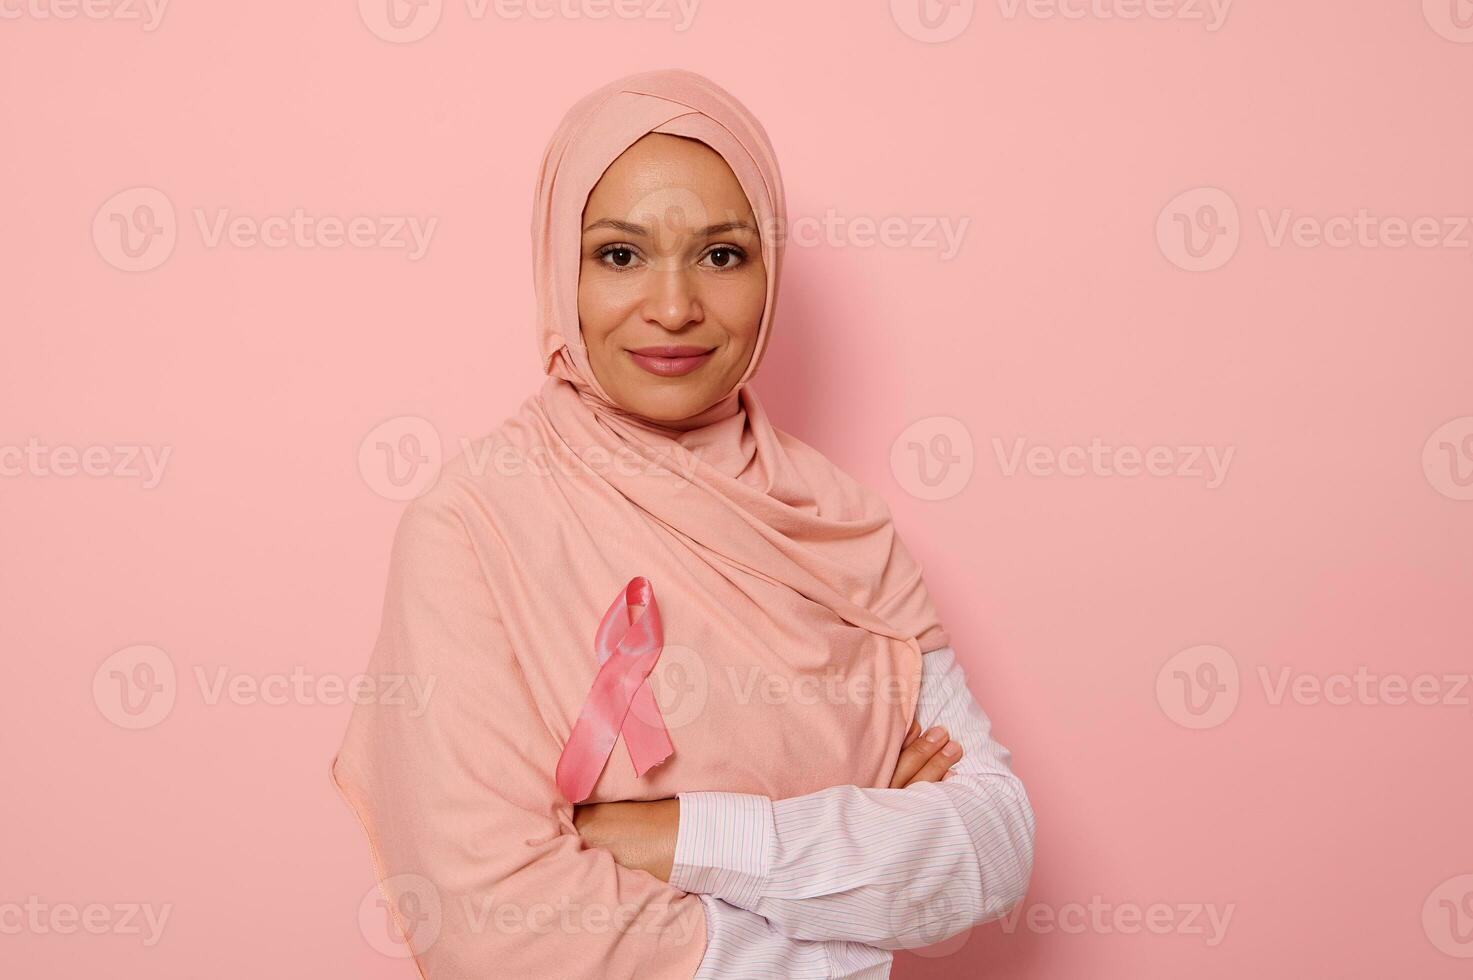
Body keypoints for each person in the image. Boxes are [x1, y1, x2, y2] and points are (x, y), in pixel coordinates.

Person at [331, 67, 1035, 979]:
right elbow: (497, 930)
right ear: (560, 269)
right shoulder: (472, 527)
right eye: (620, 255)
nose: (673, 307)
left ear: (767, 272)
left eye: (722, 254)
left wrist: (673, 836)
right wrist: (855, 925)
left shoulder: (838, 528)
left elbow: (990, 845)